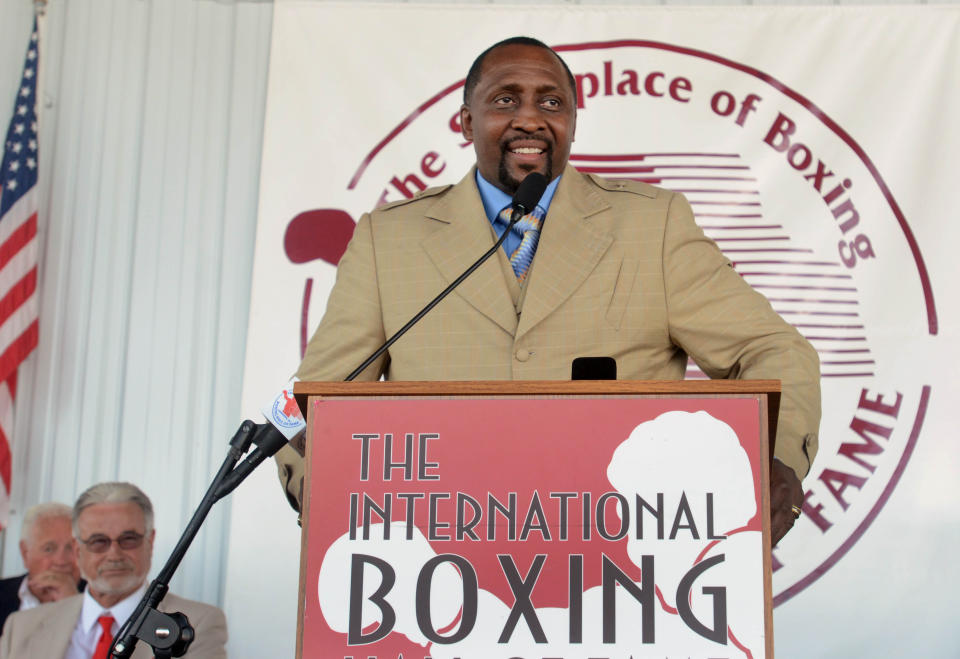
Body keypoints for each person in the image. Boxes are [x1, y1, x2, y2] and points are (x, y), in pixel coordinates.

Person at [275, 36, 821, 546]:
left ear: (573, 123)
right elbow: (317, 400)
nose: (530, 118)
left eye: (552, 103)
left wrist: (775, 462)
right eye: (506, 100)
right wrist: (323, 501)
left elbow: (773, 351)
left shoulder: (652, 227)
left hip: (620, 550)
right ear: (467, 121)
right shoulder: (387, 239)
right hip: (439, 556)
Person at [0, 482, 227, 659]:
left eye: (128, 539)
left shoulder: (197, 623)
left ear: (150, 541)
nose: (114, 554)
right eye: (99, 541)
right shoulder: (21, 626)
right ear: (78, 549)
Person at [0, 503, 84, 633]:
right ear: (25, 553)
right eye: (49, 549)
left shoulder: (101, 600)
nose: (61, 561)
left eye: (70, 548)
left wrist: (72, 605)